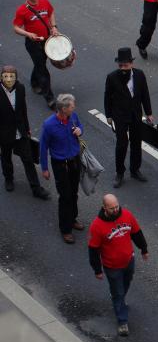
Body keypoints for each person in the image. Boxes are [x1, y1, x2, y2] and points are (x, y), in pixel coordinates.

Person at [88, 193, 149, 337]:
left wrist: (144, 249)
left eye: (117, 207)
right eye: (111, 208)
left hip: (128, 261)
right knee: (118, 292)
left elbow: (136, 233)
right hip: (112, 267)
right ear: (104, 208)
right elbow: (93, 250)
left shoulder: (127, 215)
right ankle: (122, 321)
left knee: (125, 285)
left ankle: (118, 298)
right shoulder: (97, 226)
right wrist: (97, 270)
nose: (116, 210)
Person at [104, 48, 153, 188]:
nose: (123, 68)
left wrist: (149, 113)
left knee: (136, 143)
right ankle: (120, 172)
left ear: (131, 64)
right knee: (121, 145)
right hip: (119, 116)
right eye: (120, 66)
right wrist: (108, 115)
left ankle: (135, 170)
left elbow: (145, 94)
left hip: (136, 115)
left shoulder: (139, 75)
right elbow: (107, 97)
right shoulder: (112, 77)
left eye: (125, 65)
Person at [0, 66, 50, 200]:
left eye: (12, 76)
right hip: (4, 134)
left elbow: (23, 110)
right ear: (1, 78)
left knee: (28, 160)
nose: (9, 79)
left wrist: (27, 129)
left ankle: (36, 188)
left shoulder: (20, 88)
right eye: (6, 76)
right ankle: (9, 179)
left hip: (20, 131)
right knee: (5, 157)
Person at [40, 94, 84, 244]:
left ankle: (72, 219)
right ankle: (65, 229)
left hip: (74, 161)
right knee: (65, 196)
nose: (74, 107)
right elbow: (43, 146)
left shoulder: (73, 116)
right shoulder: (49, 125)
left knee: (74, 192)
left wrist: (80, 130)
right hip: (60, 164)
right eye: (72, 106)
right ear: (64, 109)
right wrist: (44, 168)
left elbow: (80, 127)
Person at [13, 0, 58, 110]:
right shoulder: (22, 10)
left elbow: (51, 12)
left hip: (46, 40)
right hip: (33, 44)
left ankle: (34, 83)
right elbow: (16, 28)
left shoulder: (44, 1)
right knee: (43, 70)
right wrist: (28, 33)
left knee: (40, 63)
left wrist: (54, 27)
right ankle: (49, 98)